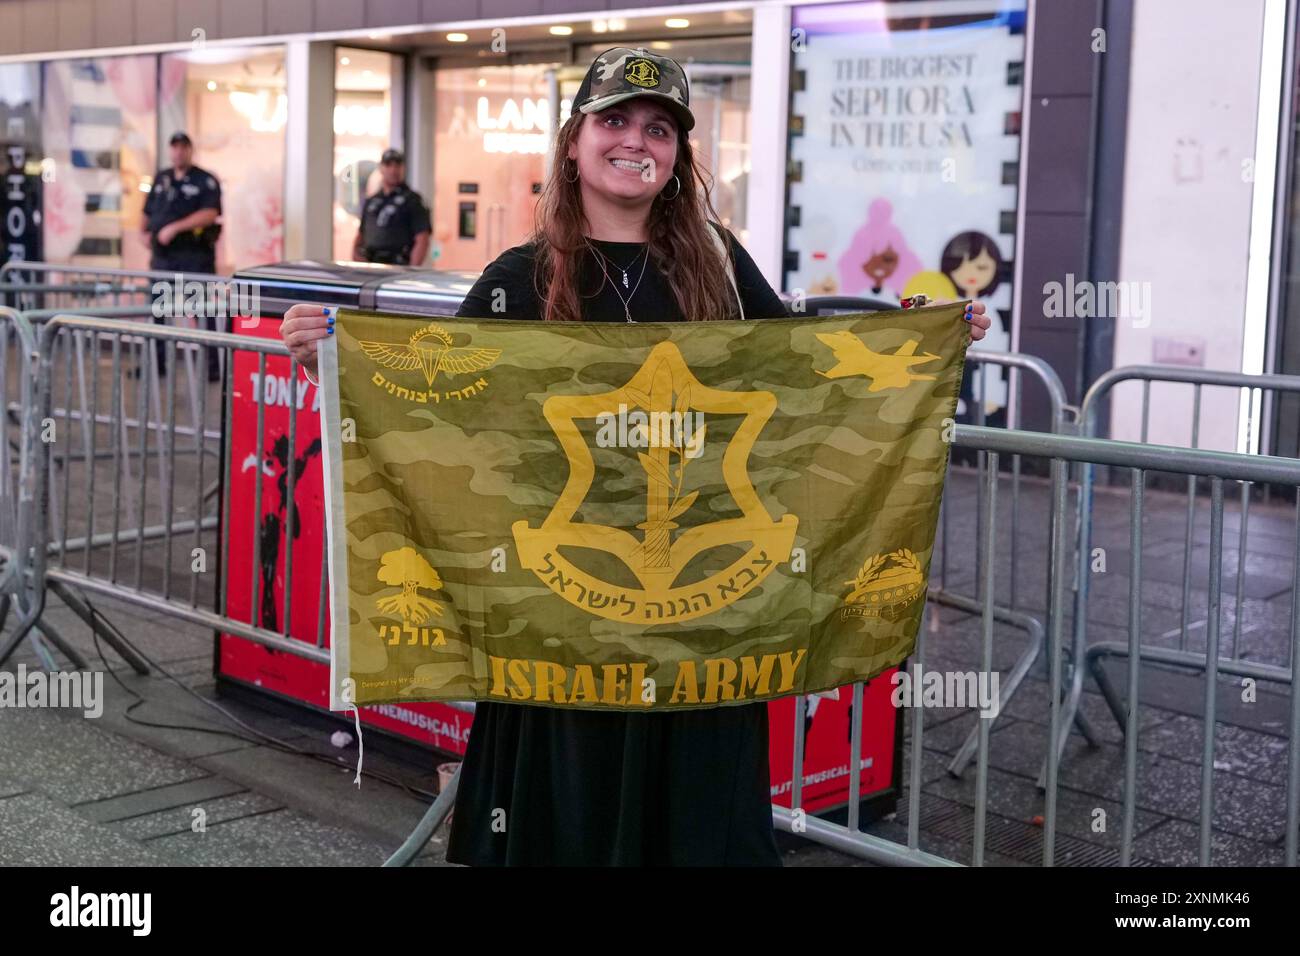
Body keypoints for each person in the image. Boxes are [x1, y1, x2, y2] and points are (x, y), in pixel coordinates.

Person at [281, 47, 991, 866]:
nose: (635, 141)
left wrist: (923, 339)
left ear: (678, 157)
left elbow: (809, 372)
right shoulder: (521, 277)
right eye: (614, 120)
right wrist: (339, 360)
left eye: (659, 129)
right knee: (564, 827)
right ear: (575, 142)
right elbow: (444, 406)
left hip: (700, 621)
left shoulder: (718, 265)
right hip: (559, 621)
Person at [142, 131, 223, 379]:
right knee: (158, 311)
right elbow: (146, 211)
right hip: (163, 258)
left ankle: (211, 368)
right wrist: (143, 232)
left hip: (194, 257)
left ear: (190, 150)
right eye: (174, 147)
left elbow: (210, 213)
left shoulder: (205, 180)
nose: (178, 152)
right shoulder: (162, 178)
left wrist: (175, 228)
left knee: (202, 310)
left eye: (183, 147)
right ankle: (158, 365)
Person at [353, 148, 432, 266]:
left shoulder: (412, 200)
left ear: (403, 168)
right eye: (388, 165)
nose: (393, 170)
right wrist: (356, 257)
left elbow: (422, 239)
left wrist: (411, 272)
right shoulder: (372, 201)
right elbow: (361, 234)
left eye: (397, 165)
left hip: (398, 266)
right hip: (370, 266)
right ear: (381, 168)